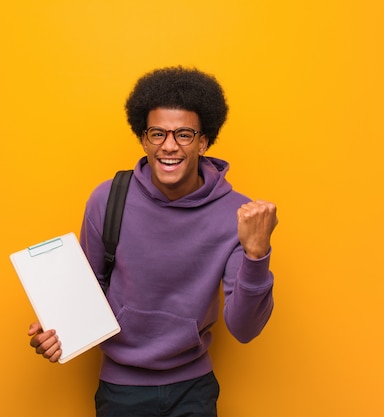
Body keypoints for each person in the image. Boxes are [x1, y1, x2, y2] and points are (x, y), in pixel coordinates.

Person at [28, 66, 278, 416]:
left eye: (184, 134)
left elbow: (245, 328)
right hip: (120, 389)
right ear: (144, 139)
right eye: (157, 133)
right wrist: (59, 330)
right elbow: (90, 290)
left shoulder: (239, 215)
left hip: (194, 388)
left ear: (203, 141)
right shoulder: (108, 199)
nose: (169, 146)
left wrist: (257, 254)